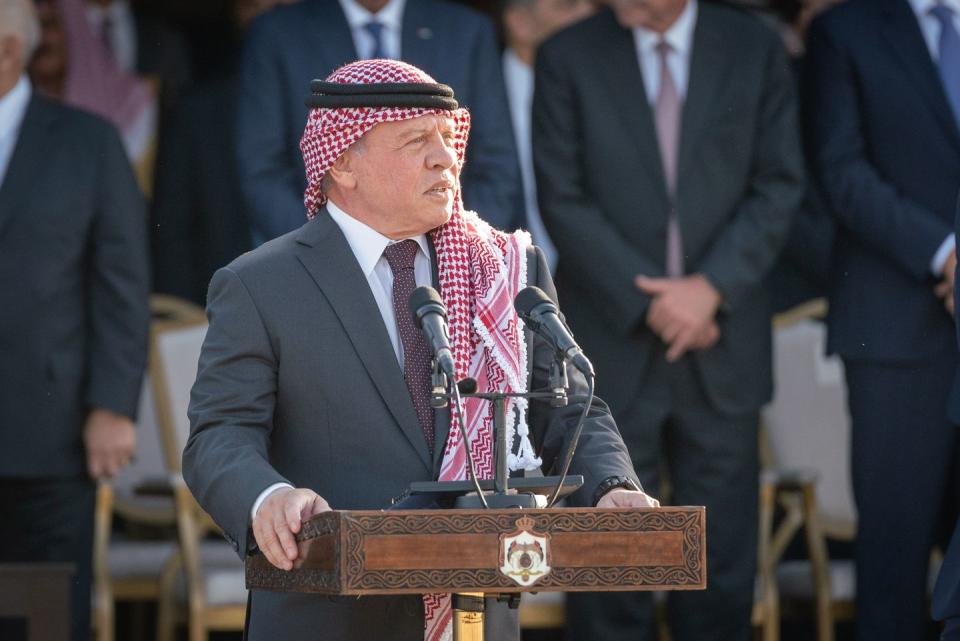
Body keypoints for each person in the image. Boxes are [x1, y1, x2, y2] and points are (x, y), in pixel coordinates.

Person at [182, 58, 657, 641]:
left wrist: (613, 487)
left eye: (447, 137)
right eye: (416, 141)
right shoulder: (260, 284)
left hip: (477, 610)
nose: (446, 158)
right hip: (328, 614)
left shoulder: (506, 269)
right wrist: (269, 498)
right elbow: (219, 435)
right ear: (341, 163)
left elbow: (566, 410)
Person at [532, 1, 804, 639]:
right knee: (607, 562)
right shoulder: (567, 54)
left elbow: (780, 182)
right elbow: (561, 195)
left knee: (719, 564)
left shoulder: (752, 47)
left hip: (722, 341)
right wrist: (655, 300)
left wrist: (712, 288)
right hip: (609, 342)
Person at [805, 2, 960, 640]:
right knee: (894, 552)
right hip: (898, 331)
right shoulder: (845, 30)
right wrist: (949, 253)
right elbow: (841, 171)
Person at [0, 1, 150, 640]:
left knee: (44, 617)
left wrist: (112, 407)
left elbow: (121, 288)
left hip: (49, 434)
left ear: (7, 50)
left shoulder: (88, 142)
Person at [235, 0, 523, 247]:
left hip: (448, 259)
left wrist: (451, 247)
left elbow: (496, 163)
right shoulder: (279, 33)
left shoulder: (465, 29)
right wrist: (325, 248)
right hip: (323, 264)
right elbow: (263, 170)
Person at [151, 0, 297, 305]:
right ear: (238, 13)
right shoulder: (198, 111)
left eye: (281, 7)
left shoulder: (335, 106)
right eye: (255, 7)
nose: (271, 23)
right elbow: (173, 231)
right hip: (226, 308)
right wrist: (189, 318)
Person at [499, 0, 595, 273]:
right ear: (520, 22)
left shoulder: (600, 94)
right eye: (568, 5)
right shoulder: (478, 97)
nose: (587, 12)